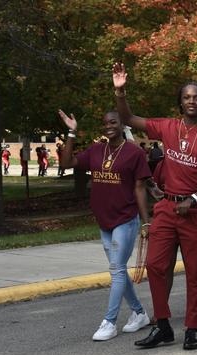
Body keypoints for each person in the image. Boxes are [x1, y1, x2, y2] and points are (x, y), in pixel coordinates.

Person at [112, 63, 197, 350]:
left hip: (195, 211)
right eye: (187, 97)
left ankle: (191, 328)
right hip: (167, 207)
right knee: (154, 265)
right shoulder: (167, 126)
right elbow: (127, 117)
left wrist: (196, 199)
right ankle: (163, 326)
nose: (192, 101)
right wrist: (120, 91)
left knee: (194, 272)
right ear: (181, 101)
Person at [57, 109, 153, 341]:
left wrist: (146, 221)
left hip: (125, 219)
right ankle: (139, 313)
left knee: (117, 269)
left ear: (122, 125)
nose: (109, 126)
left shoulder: (134, 153)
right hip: (104, 221)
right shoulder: (97, 150)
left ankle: (109, 322)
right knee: (118, 270)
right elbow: (67, 161)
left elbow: (140, 189)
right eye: (106, 122)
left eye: (114, 122)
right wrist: (71, 132)